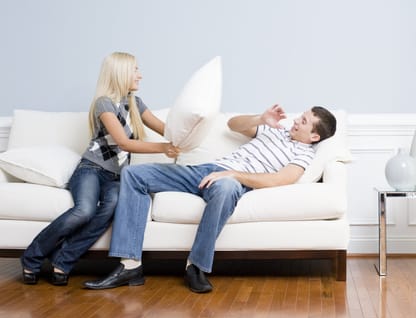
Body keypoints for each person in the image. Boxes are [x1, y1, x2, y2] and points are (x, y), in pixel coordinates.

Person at [83, 104, 336, 293]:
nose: (297, 121)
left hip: (233, 180)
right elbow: (233, 125)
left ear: (314, 136)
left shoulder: (303, 154)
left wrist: (233, 174)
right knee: (133, 174)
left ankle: (196, 266)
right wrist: (261, 119)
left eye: (304, 121)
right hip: (206, 170)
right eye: (300, 117)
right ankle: (130, 265)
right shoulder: (275, 131)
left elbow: (279, 180)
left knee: (226, 188)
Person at [20, 52, 179, 286]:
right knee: (84, 210)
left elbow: (164, 128)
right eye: (135, 70)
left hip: (116, 176)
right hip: (91, 169)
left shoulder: (135, 102)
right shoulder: (103, 103)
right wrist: (163, 148)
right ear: (121, 72)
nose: (140, 75)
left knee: (111, 207)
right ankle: (31, 258)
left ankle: (62, 261)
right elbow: (123, 142)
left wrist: (185, 135)